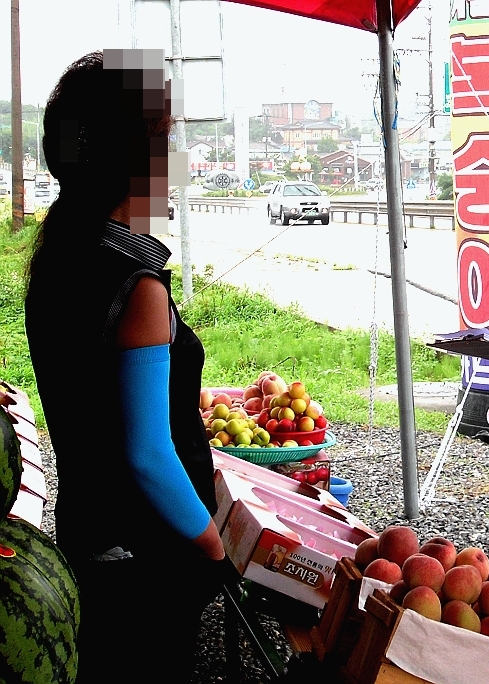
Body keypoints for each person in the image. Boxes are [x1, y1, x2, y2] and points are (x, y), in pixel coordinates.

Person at [24, 50, 226, 681]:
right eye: (167, 138)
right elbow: (146, 454)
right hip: (148, 553)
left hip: (88, 533)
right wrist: (210, 544)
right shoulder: (137, 285)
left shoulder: (59, 254)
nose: (176, 157)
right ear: (134, 157)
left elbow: (92, 393)